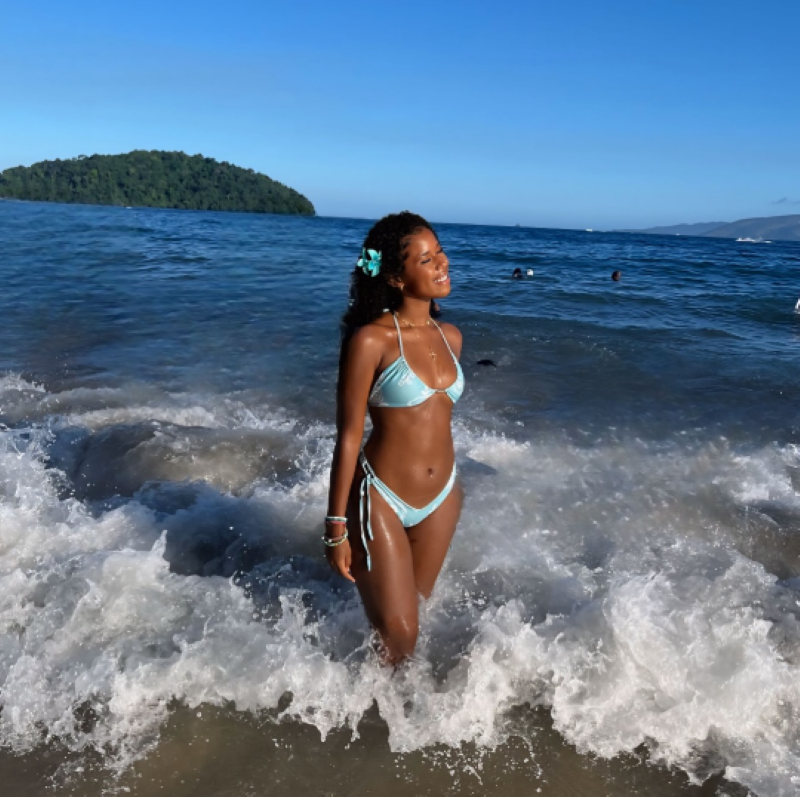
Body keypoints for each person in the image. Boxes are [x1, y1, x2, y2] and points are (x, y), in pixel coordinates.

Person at [325, 211, 464, 665]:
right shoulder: (371, 340)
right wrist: (335, 527)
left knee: (410, 627)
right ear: (396, 278)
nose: (441, 263)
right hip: (381, 496)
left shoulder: (451, 337)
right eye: (426, 260)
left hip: (442, 497)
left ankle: (392, 706)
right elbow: (349, 435)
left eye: (439, 252)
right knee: (400, 634)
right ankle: (348, 700)